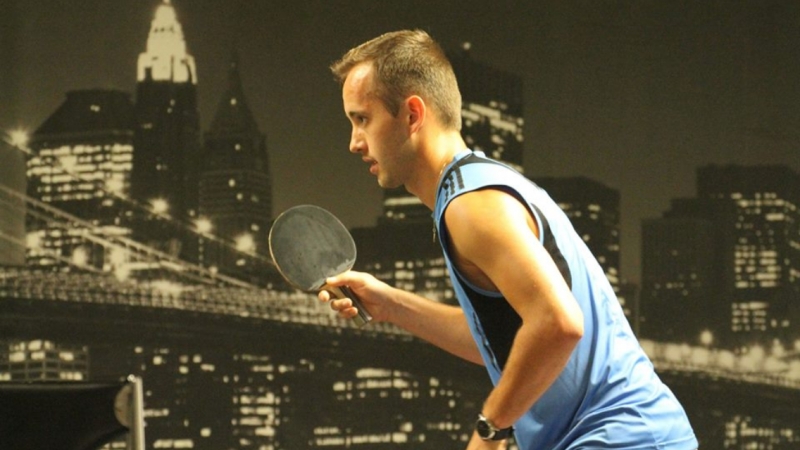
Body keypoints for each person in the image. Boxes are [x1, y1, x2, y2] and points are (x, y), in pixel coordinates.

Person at [322, 29, 698, 450]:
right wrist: (391, 305)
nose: (354, 143)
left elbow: (559, 323)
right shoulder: (481, 183)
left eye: (362, 119)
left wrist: (491, 430)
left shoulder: (470, 207)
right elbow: (508, 340)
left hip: (619, 439)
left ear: (412, 114)